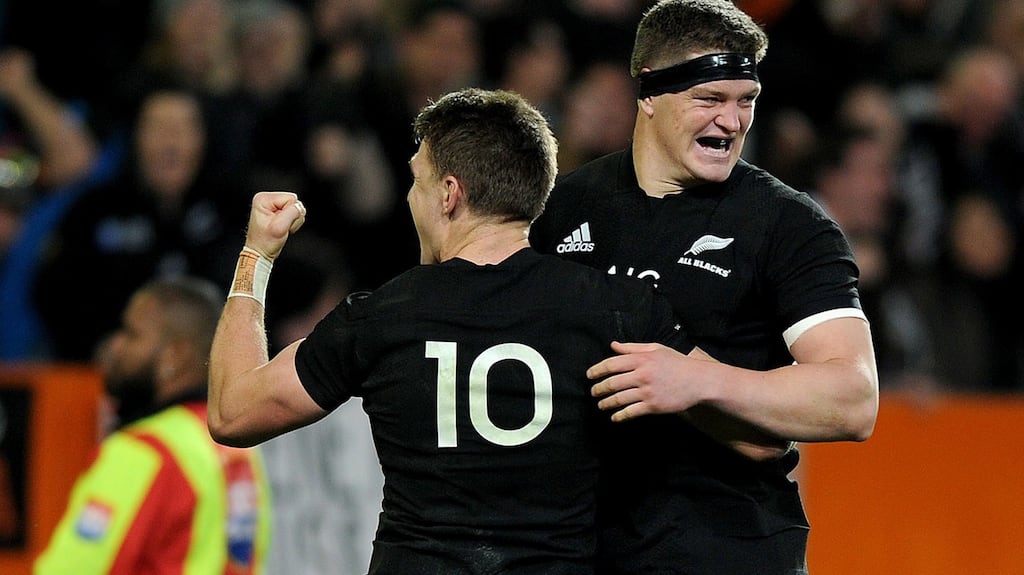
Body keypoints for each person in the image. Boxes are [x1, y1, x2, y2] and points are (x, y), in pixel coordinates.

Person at [207, 88, 696, 573]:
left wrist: (257, 255)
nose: (410, 198)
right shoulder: (615, 311)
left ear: (448, 193)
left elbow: (232, 413)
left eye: (417, 182)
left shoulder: (384, 316)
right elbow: (747, 429)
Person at [528, 1, 880, 573]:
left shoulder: (788, 225)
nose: (732, 121)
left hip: (726, 550)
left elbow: (853, 398)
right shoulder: (561, 208)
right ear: (647, 93)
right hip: (577, 550)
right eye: (709, 99)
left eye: (746, 101)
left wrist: (698, 380)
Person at [33, 276, 272, 574]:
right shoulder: (238, 448)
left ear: (174, 356)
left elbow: (74, 568)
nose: (114, 345)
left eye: (131, 334)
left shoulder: (146, 451)